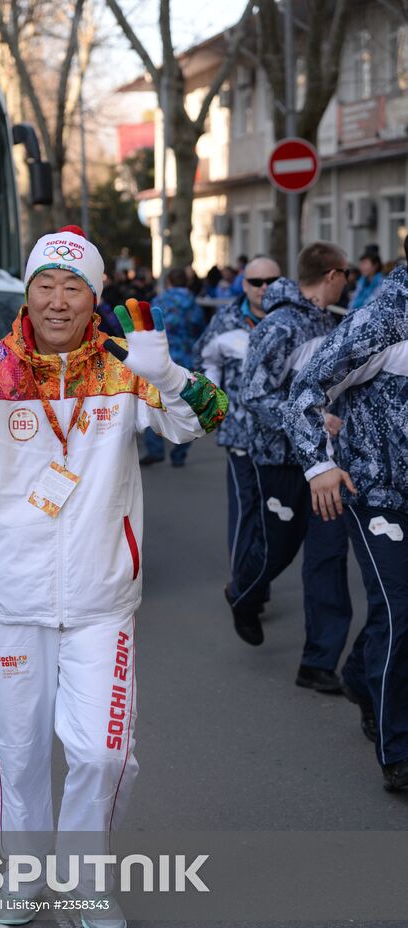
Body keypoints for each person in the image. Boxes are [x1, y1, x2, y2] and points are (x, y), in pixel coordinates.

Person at [0, 224, 228, 928]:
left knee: (104, 752)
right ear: (28, 292)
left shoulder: (123, 366)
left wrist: (169, 376)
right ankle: (21, 874)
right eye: (45, 285)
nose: (58, 300)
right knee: (16, 753)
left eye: (73, 286)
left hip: (100, 599)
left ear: (96, 294)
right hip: (10, 599)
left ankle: (87, 882)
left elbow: (207, 420)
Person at [285, 243, 408, 792]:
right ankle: (398, 751)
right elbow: (303, 391)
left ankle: (361, 672)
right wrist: (318, 467)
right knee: (400, 610)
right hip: (378, 490)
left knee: (396, 616)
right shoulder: (383, 318)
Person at [233, 242, 355, 692]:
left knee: (328, 555)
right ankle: (244, 596)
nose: (348, 280)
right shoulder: (279, 325)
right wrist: (309, 418)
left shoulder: (332, 321)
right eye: (345, 273)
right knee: (276, 550)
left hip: (325, 462)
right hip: (280, 458)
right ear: (330, 274)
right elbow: (255, 394)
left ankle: (318, 662)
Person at [192, 256, 281, 617]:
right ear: (244, 284)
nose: (264, 288)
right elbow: (204, 363)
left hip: (281, 438)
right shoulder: (225, 321)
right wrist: (215, 405)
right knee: (247, 512)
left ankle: (257, 580)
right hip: (241, 435)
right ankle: (245, 586)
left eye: (271, 281)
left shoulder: (289, 319)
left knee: (274, 516)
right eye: (256, 281)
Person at [140, 267, 206, 467]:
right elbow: (200, 328)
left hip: (161, 359)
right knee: (187, 408)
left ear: (168, 281)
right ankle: (180, 452)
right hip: (186, 359)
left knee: (154, 403)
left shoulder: (159, 301)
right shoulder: (193, 303)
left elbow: (148, 328)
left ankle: (155, 448)